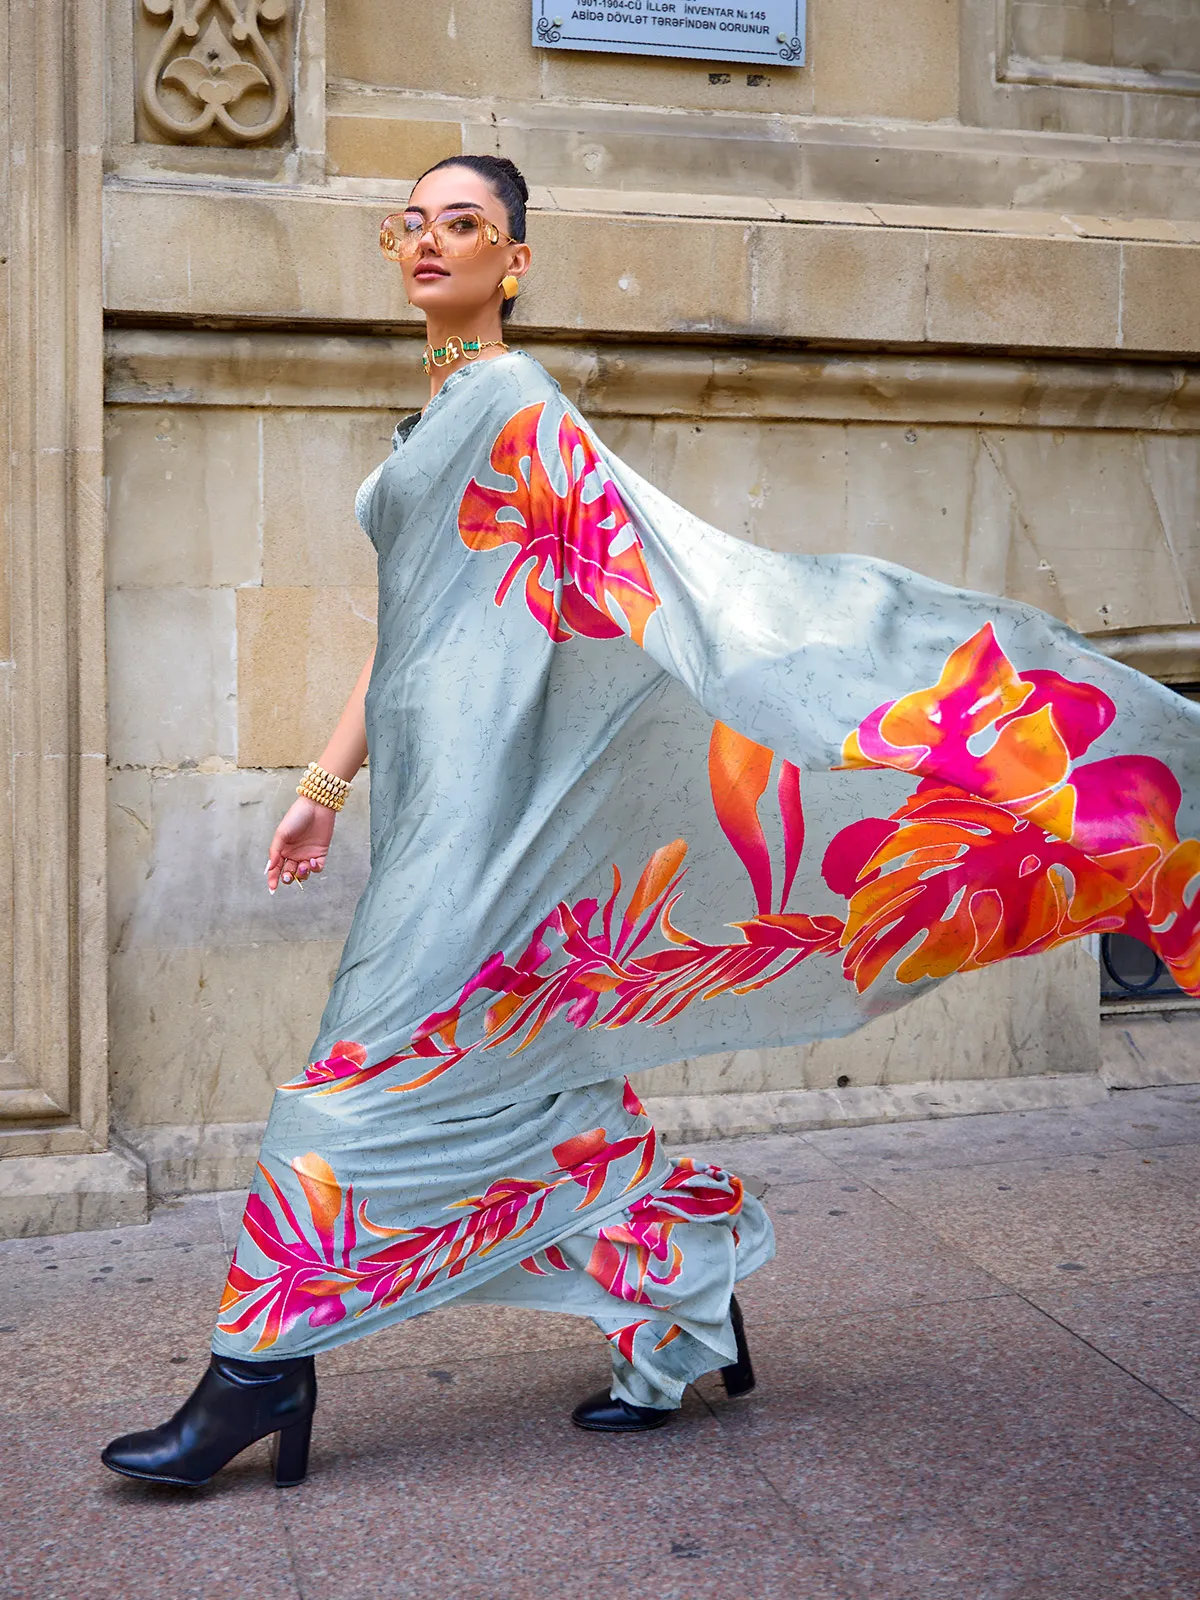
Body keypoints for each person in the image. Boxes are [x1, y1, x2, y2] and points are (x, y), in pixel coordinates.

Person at [102, 155, 1200, 1489]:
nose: (434, 243)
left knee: (348, 1089)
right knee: (537, 1070)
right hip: (439, 797)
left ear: (515, 262)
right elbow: (411, 634)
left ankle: (254, 1377)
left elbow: (657, 585)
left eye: (469, 226)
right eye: (417, 225)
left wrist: (825, 689)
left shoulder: (512, 401)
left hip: (499, 816)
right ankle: (684, 1298)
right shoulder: (439, 409)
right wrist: (324, 789)